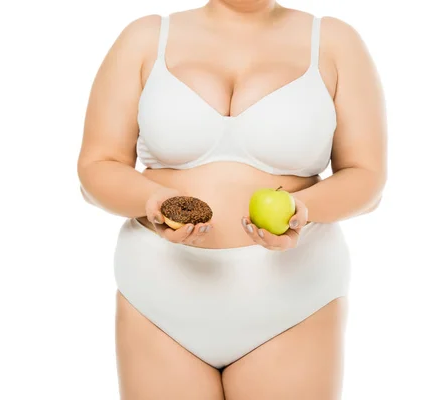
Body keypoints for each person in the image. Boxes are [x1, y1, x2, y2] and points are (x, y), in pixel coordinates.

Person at [77, 0, 387, 398]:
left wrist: (303, 213)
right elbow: (96, 166)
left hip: (293, 302)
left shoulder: (334, 42)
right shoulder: (144, 38)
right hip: (159, 300)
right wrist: (152, 201)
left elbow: (367, 177)